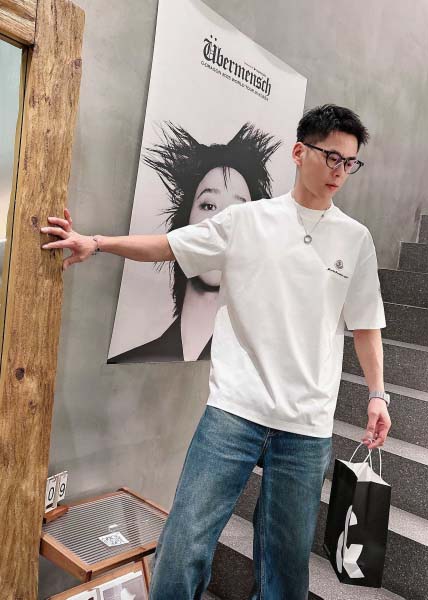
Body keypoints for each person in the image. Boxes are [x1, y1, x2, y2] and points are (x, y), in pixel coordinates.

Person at [41, 104, 392, 600]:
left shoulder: (356, 239)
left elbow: (366, 325)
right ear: (299, 152)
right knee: (182, 548)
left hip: (307, 425)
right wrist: (95, 243)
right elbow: (168, 246)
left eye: (349, 162)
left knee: (285, 572)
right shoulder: (247, 220)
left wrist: (378, 394)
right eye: (331, 156)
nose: (340, 171)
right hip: (234, 410)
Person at [109, 121, 281, 363]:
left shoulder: (257, 357)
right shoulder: (133, 359)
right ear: (186, 220)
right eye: (209, 206)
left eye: (238, 212)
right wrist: (96, 243)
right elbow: (158, 247)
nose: (221, 224)